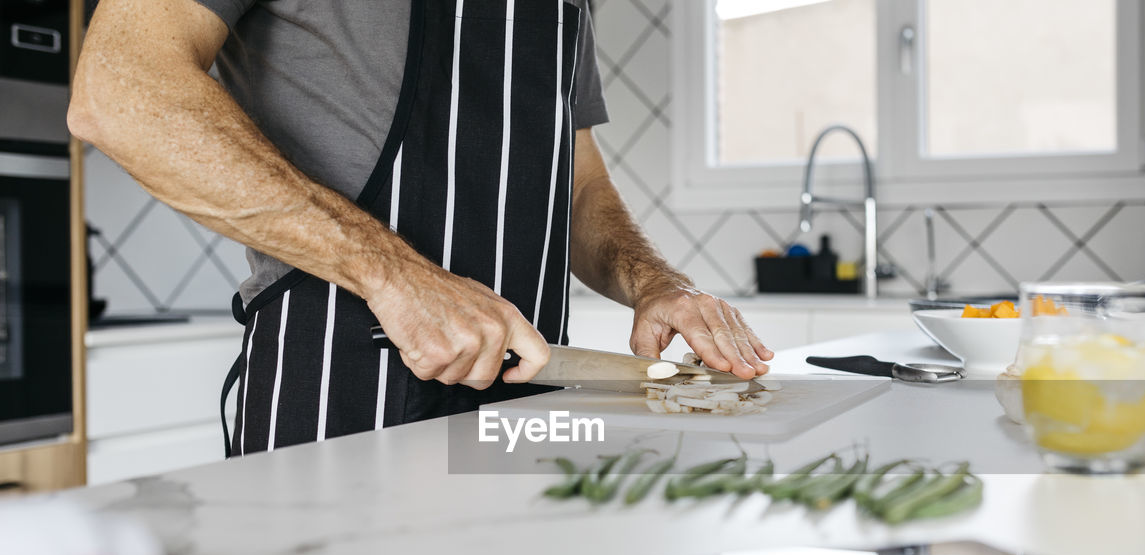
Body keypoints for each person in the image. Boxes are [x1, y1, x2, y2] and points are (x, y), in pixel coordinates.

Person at [69, 0, 774, 456]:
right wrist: (396, 276)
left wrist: (658, 284)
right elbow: (118, 90)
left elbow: (579, 178)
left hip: (523, 416)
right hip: (339, 407)